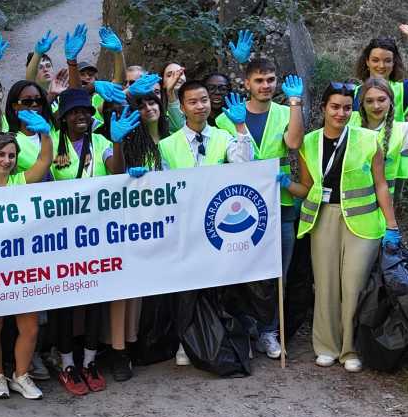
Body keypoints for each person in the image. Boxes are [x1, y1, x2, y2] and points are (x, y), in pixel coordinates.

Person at [285, 82, 400, 372]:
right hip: (323, 218)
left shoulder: (368, 140)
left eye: (347, 107)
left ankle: (351, 349)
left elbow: (381, 184)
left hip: (363, 222)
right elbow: (309, 187)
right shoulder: (309, 142)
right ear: (323, 108)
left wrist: (392, 225)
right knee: (324, 285)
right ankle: (326, 345)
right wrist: (285, 184)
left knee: (354, 285)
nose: (341, 113)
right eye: (335, 107)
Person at [48, 87, 141, 395]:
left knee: (95, 298)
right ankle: (66, 363)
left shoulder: (100, 141)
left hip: (98, 237)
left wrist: (117, 140)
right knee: (63, 302)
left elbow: (117, 171)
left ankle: (89, 361)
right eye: (75, 111)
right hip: (60, 240)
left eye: (86, 111)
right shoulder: (51, 142)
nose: (82, 116)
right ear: (63, 117)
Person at [158, 80, 254, 367]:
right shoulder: (167, 145)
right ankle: (185, 342)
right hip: (185, 227)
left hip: (219, 225)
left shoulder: (225, 138)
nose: (200, 106)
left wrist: (240, 128)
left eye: (204, 100)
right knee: (186, 286)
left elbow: (244, 165)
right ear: (183, 107)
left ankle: (228, 337)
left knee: (224, 284)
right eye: (193, 102)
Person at [215, 56, 305, 359]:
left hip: (281, 201)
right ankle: (247, 327)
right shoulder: (227, 117)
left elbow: (293, 143)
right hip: (241, 207)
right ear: (246, 83)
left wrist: (295, 103)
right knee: (243, 270)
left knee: (277, 271)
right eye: (259, 80)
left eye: (270, 80)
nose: (265, 86)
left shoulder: (284, 112)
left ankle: (270, 330)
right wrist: (238, 123)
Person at [0, 119, 53, 400]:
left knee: (29, 325)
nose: (6, 160)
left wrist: (45, 132)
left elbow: (45, 159)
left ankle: (20, 375)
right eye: (1, 155)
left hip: (23, 266)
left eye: (11, 155)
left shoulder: (22, 180)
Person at [108, 77, 170, 379]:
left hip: (167, 223)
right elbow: (114, 173)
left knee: (148, 287)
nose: (148, 107)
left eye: (152, 101)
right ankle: (118, 350)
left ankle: (139, 342)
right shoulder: (132, 140)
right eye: (141, 103)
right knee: (125, 286)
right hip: (132, 224)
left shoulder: (173, 138)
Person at [352, 77, 408, 196]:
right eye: (369, 101)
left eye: (381, 100)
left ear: (391, 101)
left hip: (384, 203)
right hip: (348, 202)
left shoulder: (403, 130)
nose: (376, 106)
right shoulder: (348, 122)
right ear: (362, 103)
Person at [5, 80, 57, 172]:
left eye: (38, 100)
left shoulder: (51, 132)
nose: (34, 104)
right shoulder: (9, 141)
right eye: (27, 101)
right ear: (15, 106)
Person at [353, 37, 408, 121]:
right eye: (375, 60)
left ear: (393, 63)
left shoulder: (403, 90)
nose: (381, 66)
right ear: (367, 62)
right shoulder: (353, 92)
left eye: (387, 61)